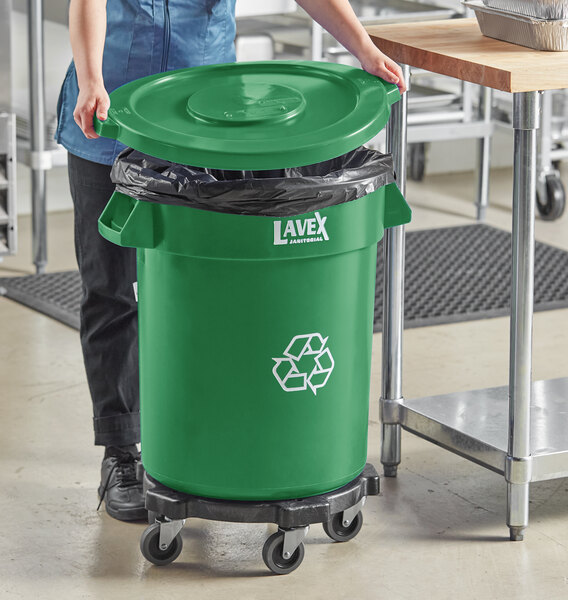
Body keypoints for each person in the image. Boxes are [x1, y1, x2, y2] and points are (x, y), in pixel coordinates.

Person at [56, 0, 406, 522]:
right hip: (111, 113)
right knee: (111, 288)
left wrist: (363, 48)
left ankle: (214, 435)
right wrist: (90, 77)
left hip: (214, 122)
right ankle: (121, 454)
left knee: (215, 289)